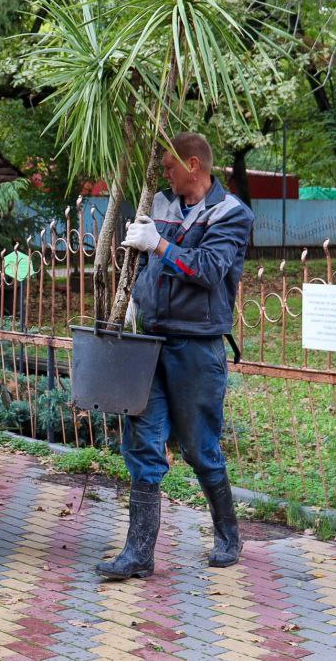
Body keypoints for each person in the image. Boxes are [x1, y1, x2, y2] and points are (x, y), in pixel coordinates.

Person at [99, 131, 254, 579]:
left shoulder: (231, 213)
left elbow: (207, 269)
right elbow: (147, 262)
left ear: (193, 164)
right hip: (149, 342)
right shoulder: (161, 204)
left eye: (169, 166)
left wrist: (159, 245)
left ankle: (228, 535)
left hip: (196, 345)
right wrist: (134, 298)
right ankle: (138, 553)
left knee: (199, 447)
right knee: (143, 442)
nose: (163, 173)